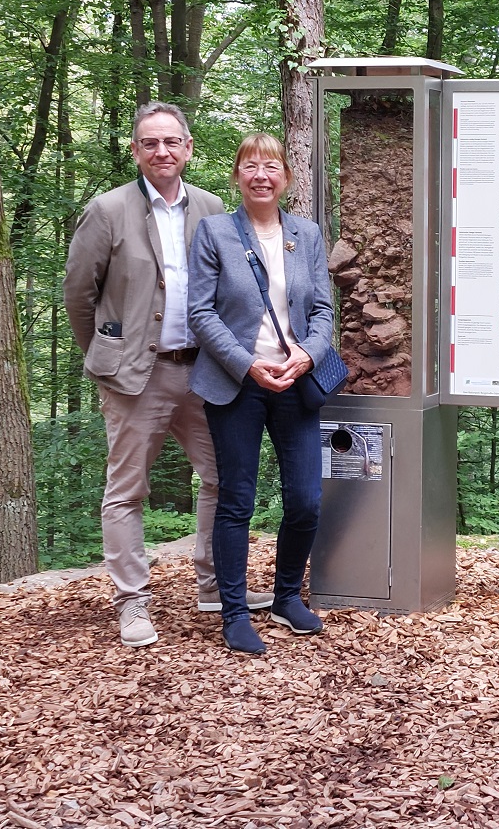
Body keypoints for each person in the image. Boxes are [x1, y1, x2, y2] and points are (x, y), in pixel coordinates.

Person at [63, 102, 274, 649]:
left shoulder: (211, 208)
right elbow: (79, 295)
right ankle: (132, 601)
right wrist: (106, 356)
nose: (162, 151)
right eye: (150, 143)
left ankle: (214, 584)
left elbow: (228, 289)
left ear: (188, 148)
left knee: (223, 478)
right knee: (126, 489)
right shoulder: (107, 210)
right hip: (137, 375)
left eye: (171, 142)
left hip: (205, 372)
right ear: (136, 151)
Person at [187, 132, 333, 655]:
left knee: (306, 500)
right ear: (237, 176)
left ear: (286, 178)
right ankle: (233, 612)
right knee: (236, 500)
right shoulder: (214, 232)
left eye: (271, 166)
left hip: (295, 381)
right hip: (236, 384)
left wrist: (308, 355)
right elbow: (200, 312)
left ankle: (287, 596)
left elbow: (323, 310)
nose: (261, 175)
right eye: (250, 166)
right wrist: (248, 364)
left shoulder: (306, 234)